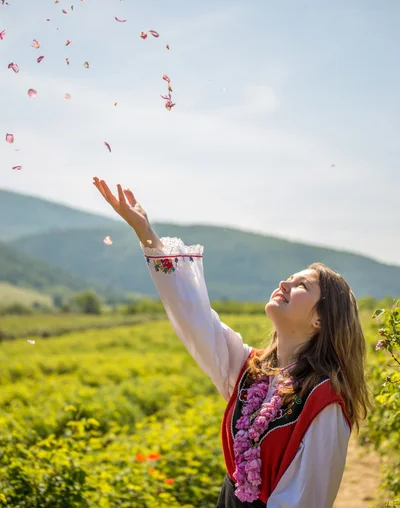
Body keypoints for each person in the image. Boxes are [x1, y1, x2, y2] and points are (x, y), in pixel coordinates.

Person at [92, 177, 373, 508]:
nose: (284, 282)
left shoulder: (324, 401)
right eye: (289, 277)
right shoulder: (249, 369)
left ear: (321, 319)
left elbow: (306, 499)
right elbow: (193, 316)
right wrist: (146, 234)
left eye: (301, 286)